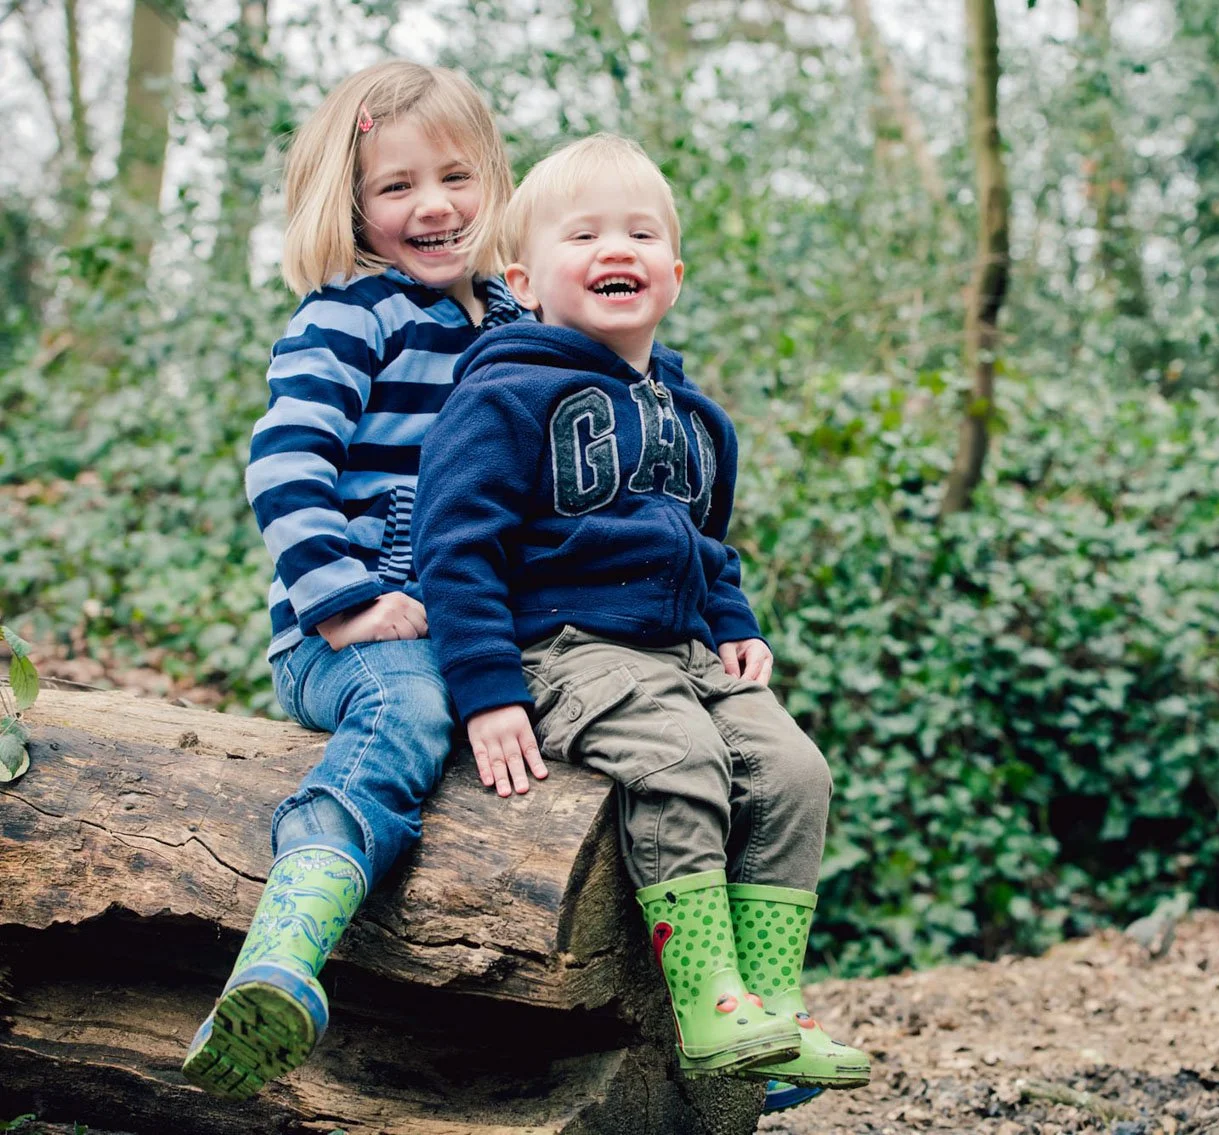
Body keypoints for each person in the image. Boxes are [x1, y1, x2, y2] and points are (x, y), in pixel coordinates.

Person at [413, 133, 871, 1095]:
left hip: (681, 650)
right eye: (584, 234)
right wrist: (487, 693)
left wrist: (734, 620)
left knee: (795, 770)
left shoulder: (686, 409)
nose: (615, 249)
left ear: (672, 270)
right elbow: (454, 549)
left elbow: (703, 539)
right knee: (680, 759)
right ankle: (707, 999)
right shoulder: (505, 392)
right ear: (525, 280)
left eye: (639, 232)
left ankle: (771, 1012)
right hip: (563, 649)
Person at [182, 60, 531, 1101]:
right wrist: (343, 601)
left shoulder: (514, 327)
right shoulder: (349, 318)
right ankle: (277, 957)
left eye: (456, 177)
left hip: (467, 629)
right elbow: (285, 462)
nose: (433, 205)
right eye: (396, 187)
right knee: (409, 707)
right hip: (343, 639)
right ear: (354, 207)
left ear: (493, 181)